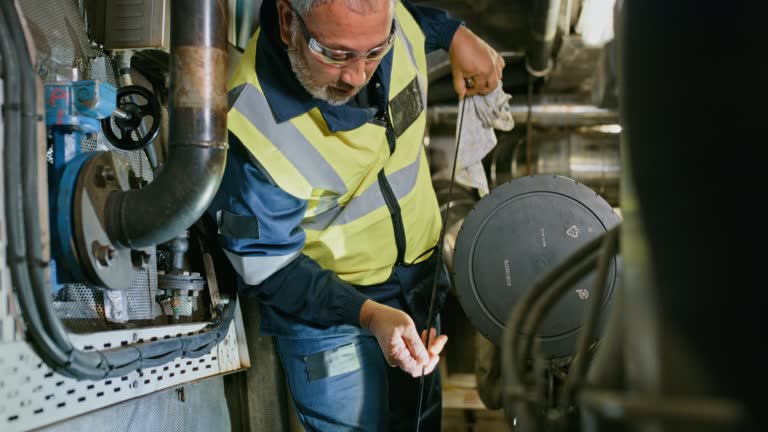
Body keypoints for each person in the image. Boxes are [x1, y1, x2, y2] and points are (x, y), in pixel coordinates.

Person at [210, 0, 504, 429]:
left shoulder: (386, 26)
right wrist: (366, 313)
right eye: (336, 54)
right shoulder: (252, 126)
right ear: (288, 19)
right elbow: (268, 268)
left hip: (416, 288)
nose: (356, 75)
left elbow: (408, 19)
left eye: (374, 52)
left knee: (419, 422)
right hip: (332, 314)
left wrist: (455, 34)